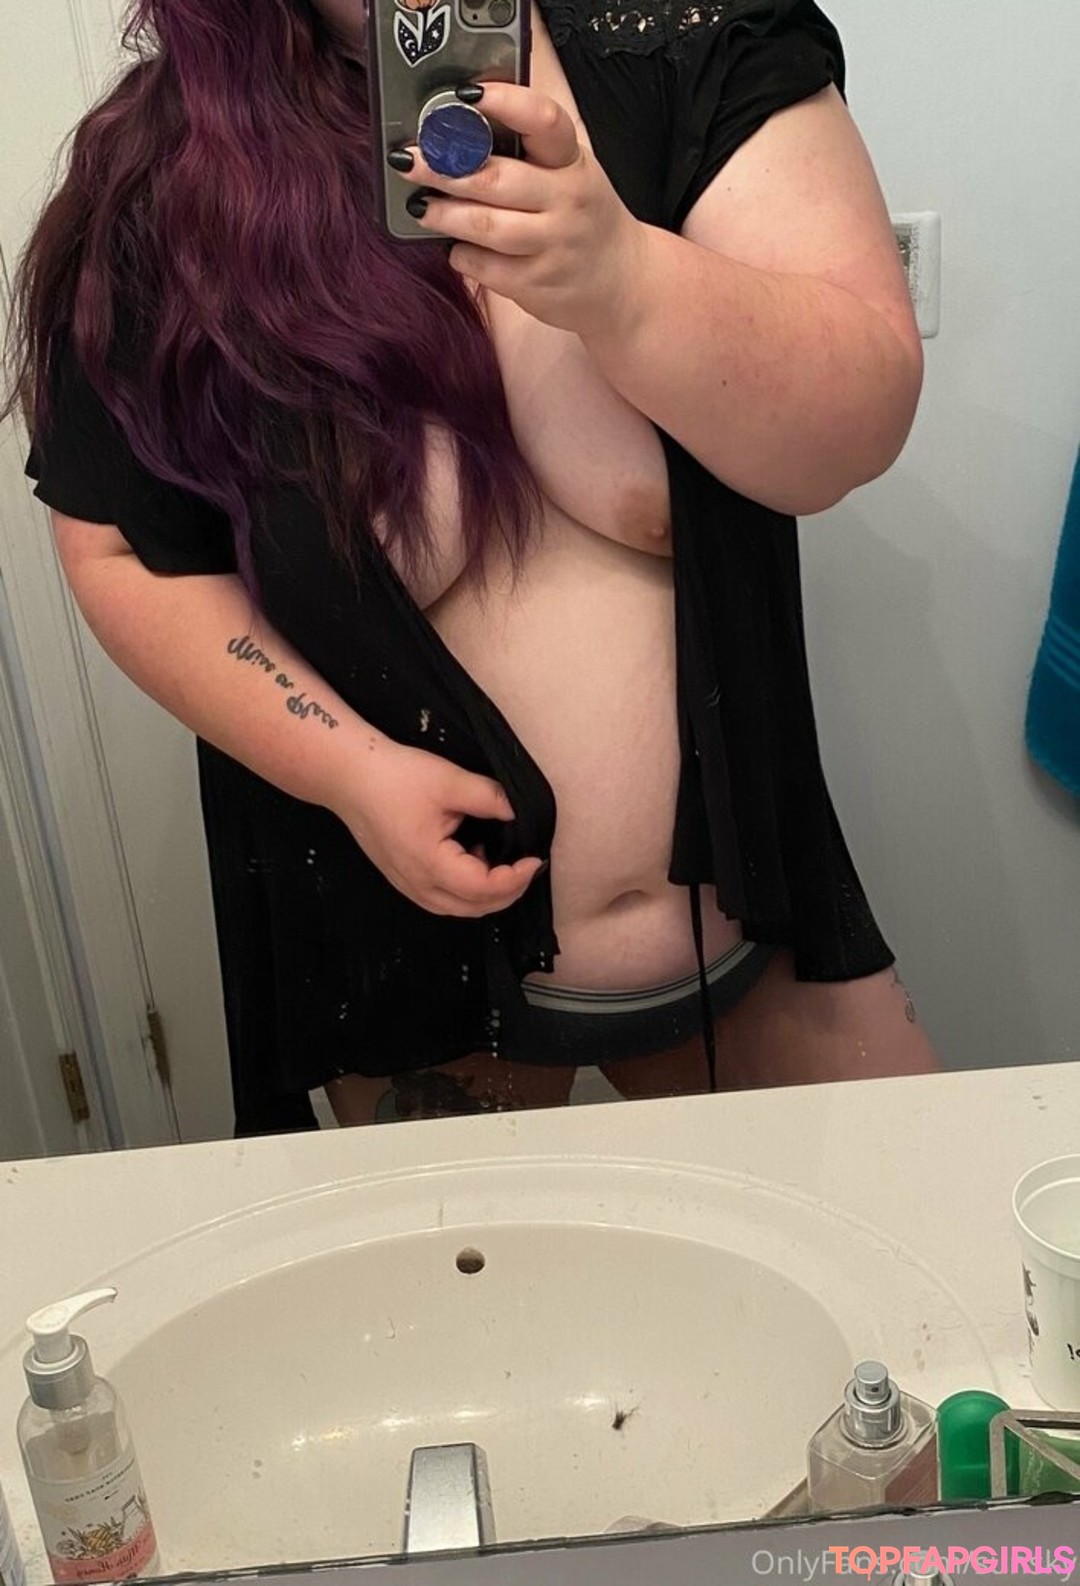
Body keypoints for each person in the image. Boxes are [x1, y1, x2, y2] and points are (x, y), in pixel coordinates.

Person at [6, 0, 937, 1134]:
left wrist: (622, 279)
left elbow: (855, 422)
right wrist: (345, 768)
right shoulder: (172, 173)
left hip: (752, 943)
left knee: (909, 1235)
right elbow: (119, 543)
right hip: (407, 970)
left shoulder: (700, 42)